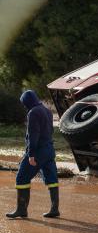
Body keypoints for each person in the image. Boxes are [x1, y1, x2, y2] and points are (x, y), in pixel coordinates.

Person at [6, 90, 60, 219]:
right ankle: (54, 209)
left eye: (24, 103)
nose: (24, 105)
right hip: (49, 149)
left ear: (27, 102)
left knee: (22, 177)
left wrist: (31, 155)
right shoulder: (46, 110)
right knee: (51, 178)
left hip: (38, 151)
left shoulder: (33, 112)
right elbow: (50, 130)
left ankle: (21, 210)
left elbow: (33, 135)